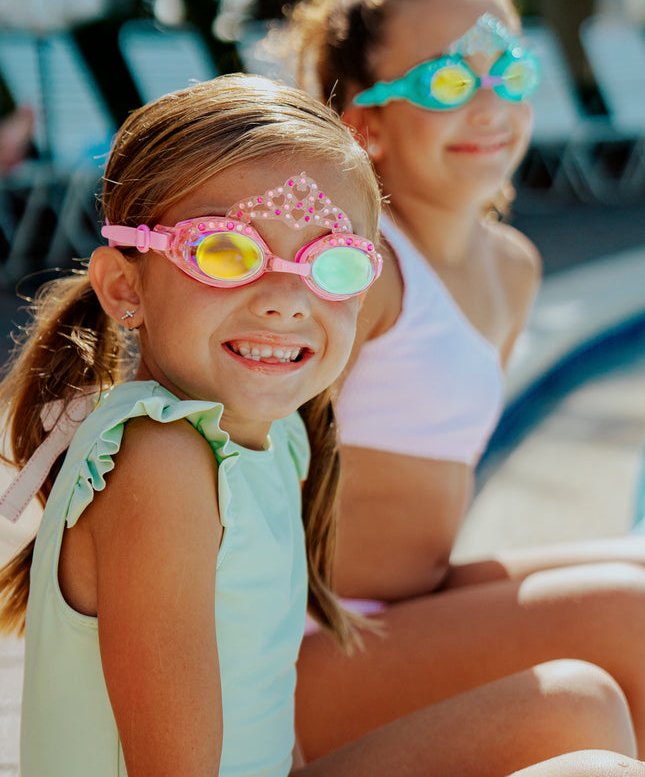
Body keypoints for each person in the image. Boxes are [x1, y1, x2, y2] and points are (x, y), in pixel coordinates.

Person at [0, 72, 643, 777]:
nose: (283, 297)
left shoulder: (279, 436)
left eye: (329, 262)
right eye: (225, 251)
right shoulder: (160, 461)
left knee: (577, 700)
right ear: (126, 286)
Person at [284, 0, 645, 762]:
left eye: (507, 70)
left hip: (415, 604)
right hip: (308, 643)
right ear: (366, 126)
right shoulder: (359, 272)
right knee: (631, 615)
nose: (488, 105)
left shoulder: (510, 268)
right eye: (447, 80)